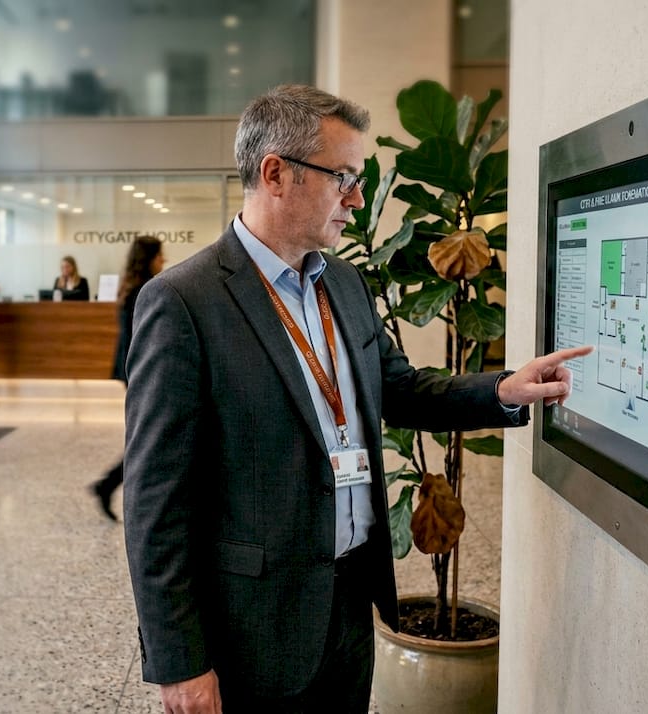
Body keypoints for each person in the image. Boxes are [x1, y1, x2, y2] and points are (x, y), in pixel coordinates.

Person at [122, 85, 591, 713]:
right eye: (342, 176)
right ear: (276, 173)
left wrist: (501, 390)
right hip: (252, 626)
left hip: (348, 608)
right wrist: (180, 664)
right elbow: (156, 501)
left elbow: (397, 388)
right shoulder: (184, 302)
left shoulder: (342, 283)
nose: (358, 197)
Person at [90, 236, 164, 522]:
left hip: (133, 371)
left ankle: (107, 485)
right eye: (160, 255)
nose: (163, 261)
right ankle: (108, 485)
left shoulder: (132, 287)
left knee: (147, 436)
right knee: (148, 437)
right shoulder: (147, 290)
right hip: (142, 372)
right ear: (149, 258)